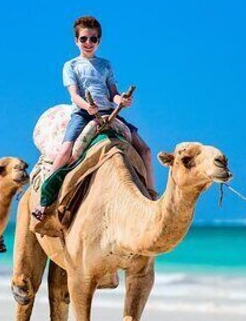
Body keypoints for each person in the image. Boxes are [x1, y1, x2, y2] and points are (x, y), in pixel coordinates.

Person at [31, 15, 156, 220]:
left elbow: (112, 93)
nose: (88, 43)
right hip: (82, 113)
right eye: (84, 39)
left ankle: (151, 196)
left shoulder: (105, 65)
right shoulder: (70, 66)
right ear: (76, 40)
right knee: (65, 151)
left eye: (93, 39)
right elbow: (74, 95)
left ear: (99, 41)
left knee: (146, 151)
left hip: (108, 113)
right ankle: (44, 201)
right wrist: (87, 107)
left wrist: (121, 100)